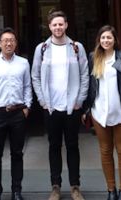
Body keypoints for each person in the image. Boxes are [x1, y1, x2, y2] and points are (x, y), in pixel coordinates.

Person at [31, 10, 89, 200]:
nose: (58, 27)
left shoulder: (76, 47)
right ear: (49, 27)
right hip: (51, 107)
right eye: (54, 25)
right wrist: (42, 100)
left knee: (73, 146)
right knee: (54, 147)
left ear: (66, 25)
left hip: (72, 107)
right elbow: (35, 76)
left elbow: (84, 76)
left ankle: (75, 187)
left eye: (60, 24)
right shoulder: (42, 49)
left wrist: (79, 100)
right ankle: (55, 187)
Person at [82, 25, 121, 200]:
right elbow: (90, 87)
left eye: (109, 38)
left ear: (115, 40)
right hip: (99, 112)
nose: (106, 41)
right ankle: (111, 190)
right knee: (105, 151)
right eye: (103, 38)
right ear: (99, 40)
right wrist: (87, 109)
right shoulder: (94, 57)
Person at [0, 27, 32, 200]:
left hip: (18, 113)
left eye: (12, 40)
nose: (9, 43)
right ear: (0, 43)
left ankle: (16, 191)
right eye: (5, 40)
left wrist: (27, 107)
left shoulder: (23, 63)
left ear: (16, 43)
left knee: (17, 154)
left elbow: (27, 86)